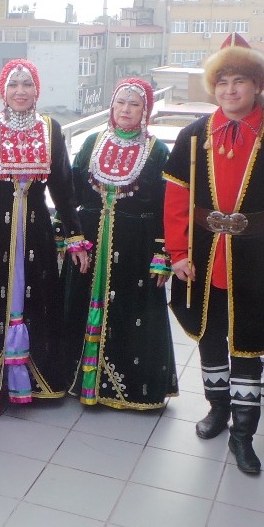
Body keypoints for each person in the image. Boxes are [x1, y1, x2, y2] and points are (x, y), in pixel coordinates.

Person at [163, 34, 264, 474]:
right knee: (210, 334)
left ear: (257, 85)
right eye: (222, 82)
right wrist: (177, 253)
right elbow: (176, 200)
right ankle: (217, 410)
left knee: (246, 338)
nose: (230, 90)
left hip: (255, 253)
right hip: (203, 252)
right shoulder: (193, 135)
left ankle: (243, 434)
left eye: (240, 81)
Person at [0, 59, 89, 406]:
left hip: (36, 229)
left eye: (27, 84)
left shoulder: (51, 128)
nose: (20, 91)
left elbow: (63, 187)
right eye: (13, 85)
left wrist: (75, 237)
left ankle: (33, 379)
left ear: (37, 90)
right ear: (2, 91)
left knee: (38, 297)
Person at [64, 78, 178, 410]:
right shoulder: (92, 141)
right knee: (81, 305)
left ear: (146, 110)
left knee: (131, 312)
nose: (126, 110)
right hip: (90, 243)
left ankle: (126, 390)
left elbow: (166, 206)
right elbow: (70, 191)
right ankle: (80, 382)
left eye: (134, 104)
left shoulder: (157, 151)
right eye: (120, 103)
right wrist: (70, 235)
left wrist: (162, 253)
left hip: (135, 247)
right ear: (111, 107)